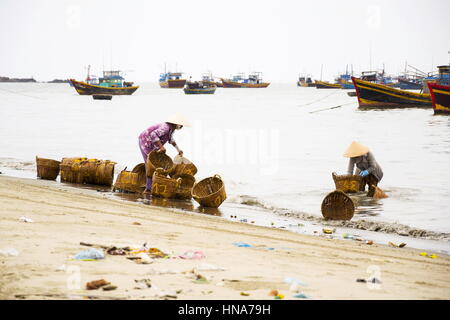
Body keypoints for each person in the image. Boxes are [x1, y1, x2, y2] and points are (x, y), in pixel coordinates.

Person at [138, 113, 190, 194]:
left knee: (153, 165)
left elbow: (171, 140)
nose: (181, 127)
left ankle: (151, 186)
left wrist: (178, 150)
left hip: (152, 145)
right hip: (145, 142)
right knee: (149, 165)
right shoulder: (165, 127)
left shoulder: (171, 129)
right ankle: (148, 189)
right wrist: (161, 147)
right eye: (181, 125)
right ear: (176, 123)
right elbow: (153, 134)